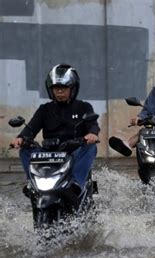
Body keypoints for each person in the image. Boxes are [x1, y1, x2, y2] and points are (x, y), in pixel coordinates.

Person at [10, 64, 100, 204]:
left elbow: (93, 124)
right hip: (49, 154)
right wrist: (20, 138)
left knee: (91, 148)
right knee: (26, 149)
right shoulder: (44, 109)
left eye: (64, 88)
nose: (59, 92)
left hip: (73, 152)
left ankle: (75, 185)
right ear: (50, 90)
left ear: (73, 89)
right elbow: (31, 129)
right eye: (56, 88)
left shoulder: (84, 107)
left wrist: (92, 134)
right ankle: (32, 184)